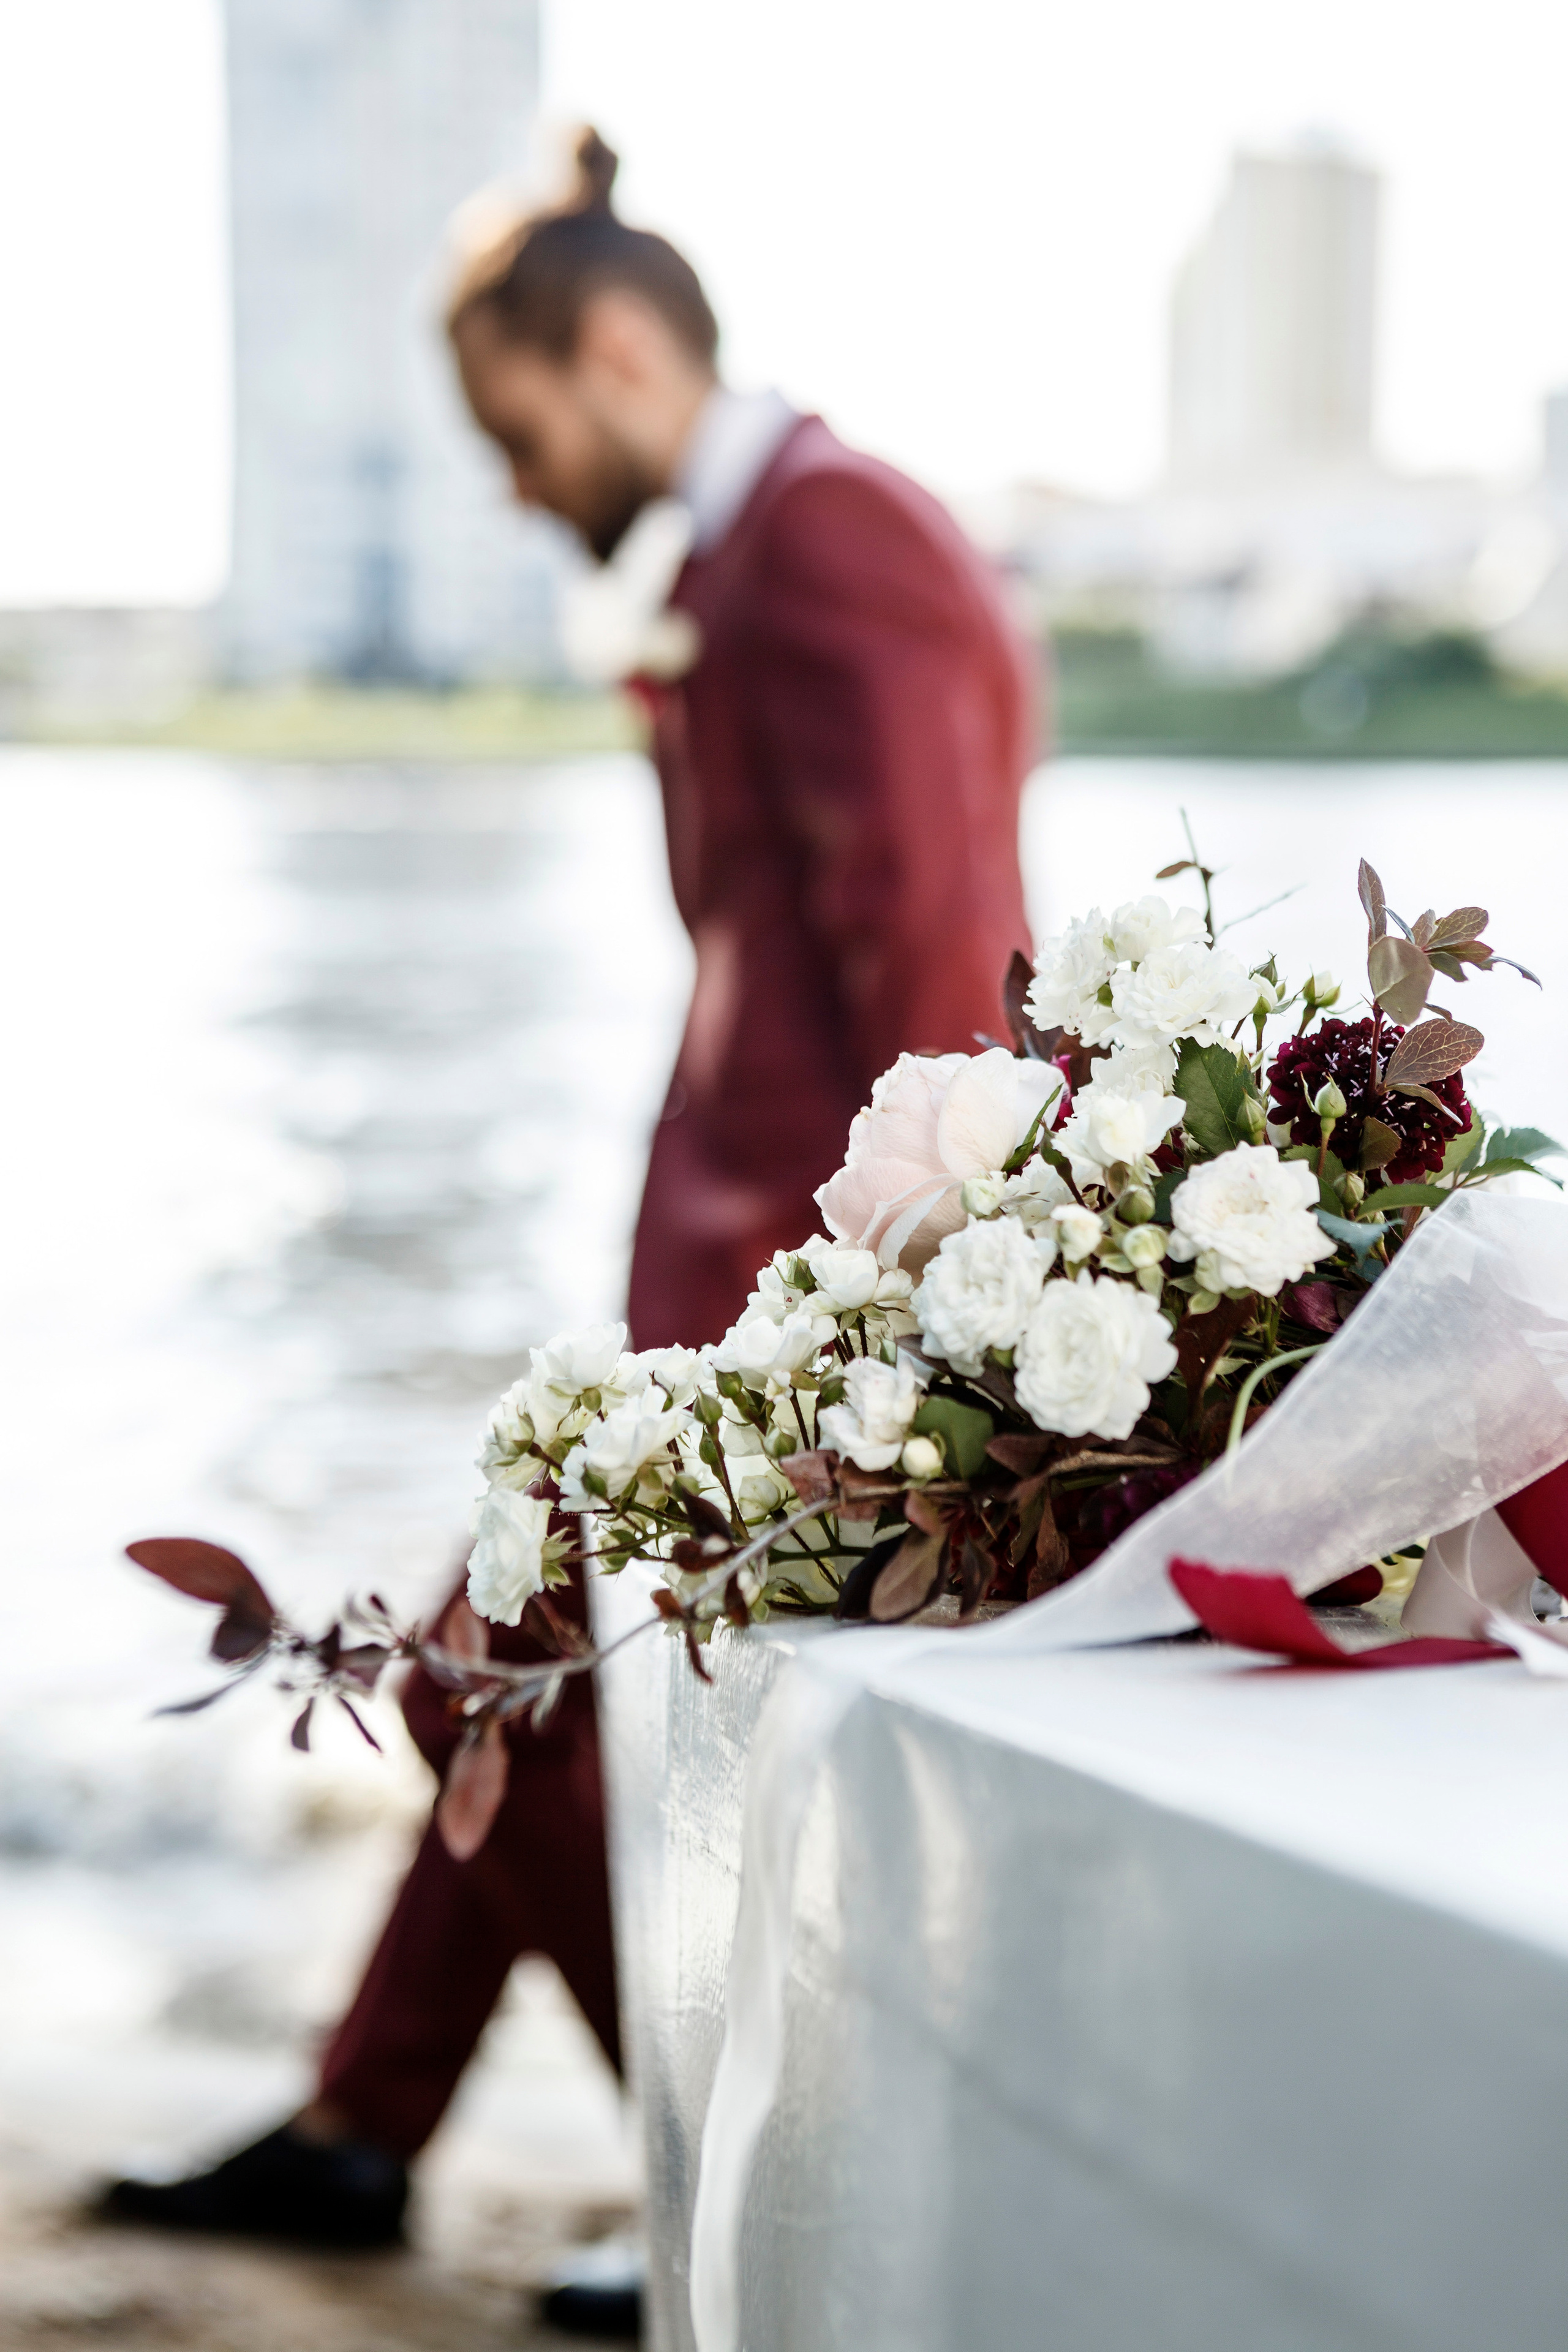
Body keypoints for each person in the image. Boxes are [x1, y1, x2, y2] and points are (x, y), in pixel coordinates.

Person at [104, 130, 1037, 2334]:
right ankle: (364, 2129)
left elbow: (935, 986)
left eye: (518, 436)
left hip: (790, 1325)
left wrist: (854, 1352)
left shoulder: (833, 555)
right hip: (720, 1297)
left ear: (616, 352)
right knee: (508, 1689)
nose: (517, 492)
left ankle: (735, 2187)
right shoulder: (785, 545)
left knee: (474, 1691)